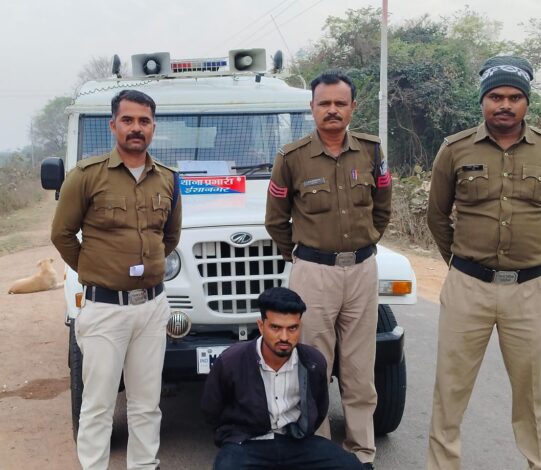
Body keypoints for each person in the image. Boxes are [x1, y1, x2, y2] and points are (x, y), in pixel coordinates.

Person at [426, 56, 541, 470]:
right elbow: (437, 216)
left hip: (529, 292)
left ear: (526, 101)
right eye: (495, 97)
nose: (504, 105)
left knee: (532, 396)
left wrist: (529, 256)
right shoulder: (455, 149)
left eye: (513, 97)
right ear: (483, 101)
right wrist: (462, 263)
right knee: (450, 390)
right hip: (467, 288)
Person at [265, 70, 392, 468]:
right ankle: (317, 451)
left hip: (361, 270)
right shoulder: (292, 158)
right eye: (325, 103)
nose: (332, 110)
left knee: (359, 368)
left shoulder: (371, 151)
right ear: (312, 108)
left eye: (340, 103)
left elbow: (383, 207)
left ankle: (361, 453)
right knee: (313, 365)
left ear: (353, 107)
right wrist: (300, 257)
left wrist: (366, 241)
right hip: (314, 273)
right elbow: (276, 219)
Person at [51, 89, 182, 470]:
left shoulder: (168, 179)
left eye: (144, 121)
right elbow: (62, 234)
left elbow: (170, 236)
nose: (136, 128)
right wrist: (96, 270)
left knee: (147, 403)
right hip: (105, 309)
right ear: (113, 126)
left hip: (153, 309)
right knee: (98, 405)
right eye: (128, 120)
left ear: (153, 127)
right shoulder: (86, 176)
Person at [201, 287, 363, 470]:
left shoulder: (313, 362)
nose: (284, 337)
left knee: (351, 466)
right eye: (276, 328)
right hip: (247, 443)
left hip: (296, 442)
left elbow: (319, 407)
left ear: (300, 326)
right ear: (261, 326)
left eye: (292, 328)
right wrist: (233, 438)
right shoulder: (231, 361)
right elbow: (211, 410)